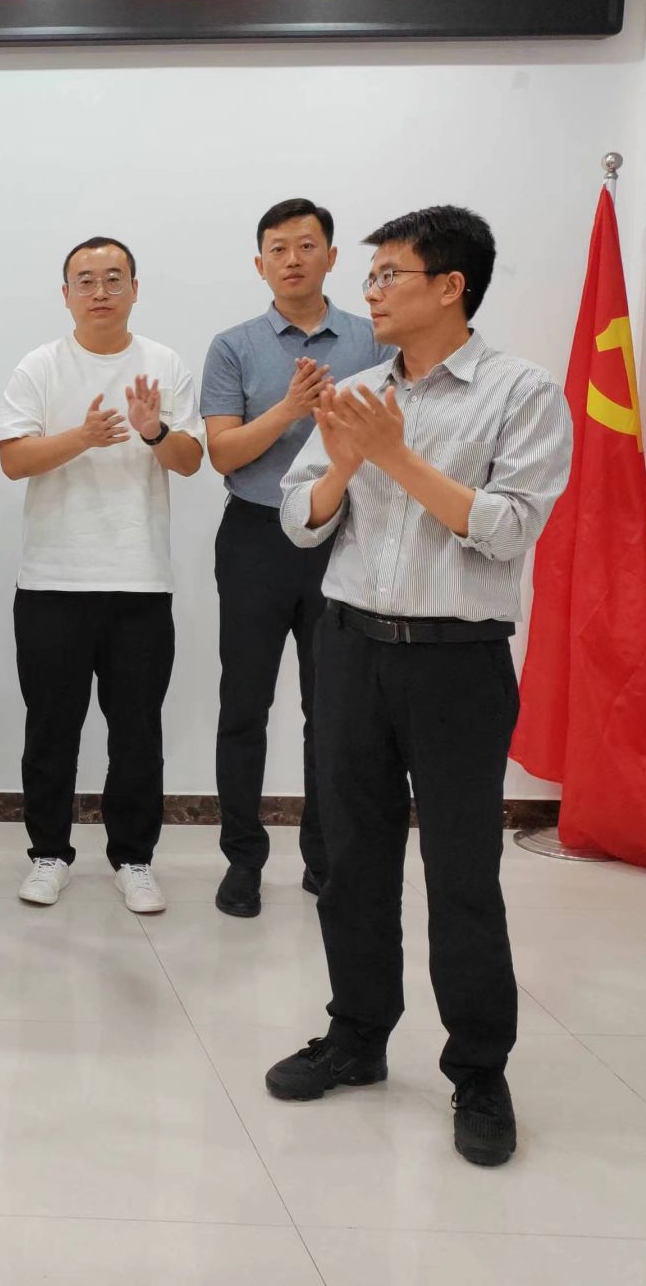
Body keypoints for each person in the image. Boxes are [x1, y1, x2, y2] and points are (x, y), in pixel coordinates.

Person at [267, 205, 570, 1169]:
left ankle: (479, 1069)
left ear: (451, 286)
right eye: (372, 277)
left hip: (457, 661)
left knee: (461, 871)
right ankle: (357, 1033)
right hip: (351, 648)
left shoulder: (522, 393)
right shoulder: (356, 392)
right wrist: (343, 466)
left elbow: (509, 529)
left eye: (389, 274)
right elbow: (300, 518)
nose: (371, 292)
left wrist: (394, 458)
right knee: (351, 857)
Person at [0, 237, 203, 915]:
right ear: (66, 295)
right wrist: (82, 437)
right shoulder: (40, 365)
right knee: (51, 729)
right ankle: (48, 854)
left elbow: (190, 460)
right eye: (85, 280)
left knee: (136, 732)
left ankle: (134, 859)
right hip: (52, 580)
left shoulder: (163, 364)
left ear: (135, 288)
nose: (101, 291)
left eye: (114, 278)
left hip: (139, 581)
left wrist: (153, 431)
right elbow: (14, 461)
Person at [202, 199, 391, 918]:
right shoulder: (234, 346)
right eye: (278, 248)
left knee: (334, 711)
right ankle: (242, 861)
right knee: (243, 706)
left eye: (306, 245)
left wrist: (338, 417)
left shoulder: (374, 340)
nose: (292, 259)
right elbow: (223, 452)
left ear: (332, 257)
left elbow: (396, 436)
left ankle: (325, 859)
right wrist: (290, 408)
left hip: (344, 535)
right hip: (255, 538)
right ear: (260, 264)